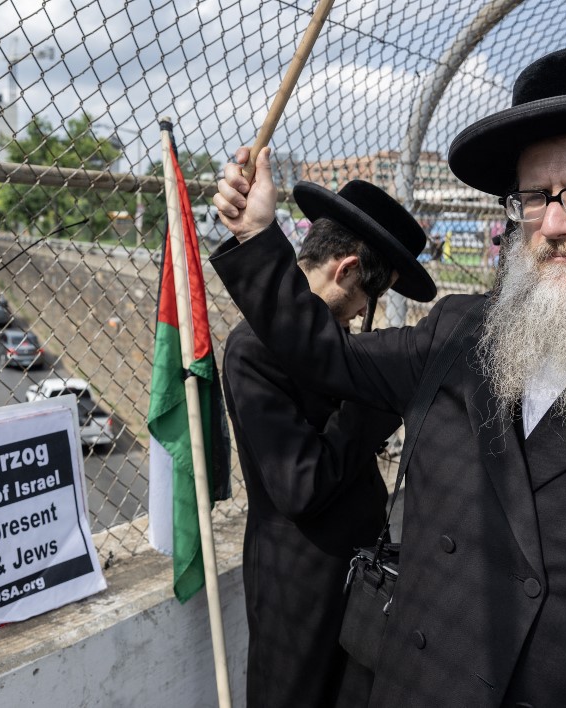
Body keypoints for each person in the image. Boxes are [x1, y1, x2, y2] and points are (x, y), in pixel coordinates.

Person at [211, 44, 566, 707]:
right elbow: (322, 354)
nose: (554, 224)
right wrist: (257, 236)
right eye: (534, 197)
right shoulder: (463, 327)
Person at [223, 179, 435, 707]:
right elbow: (301, 486)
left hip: (357, 576)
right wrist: (378, 403)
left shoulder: (339, 341)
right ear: (346, 270)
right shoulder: (252, 349)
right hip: (296, 583)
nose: (361, 314)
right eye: (366, 297)